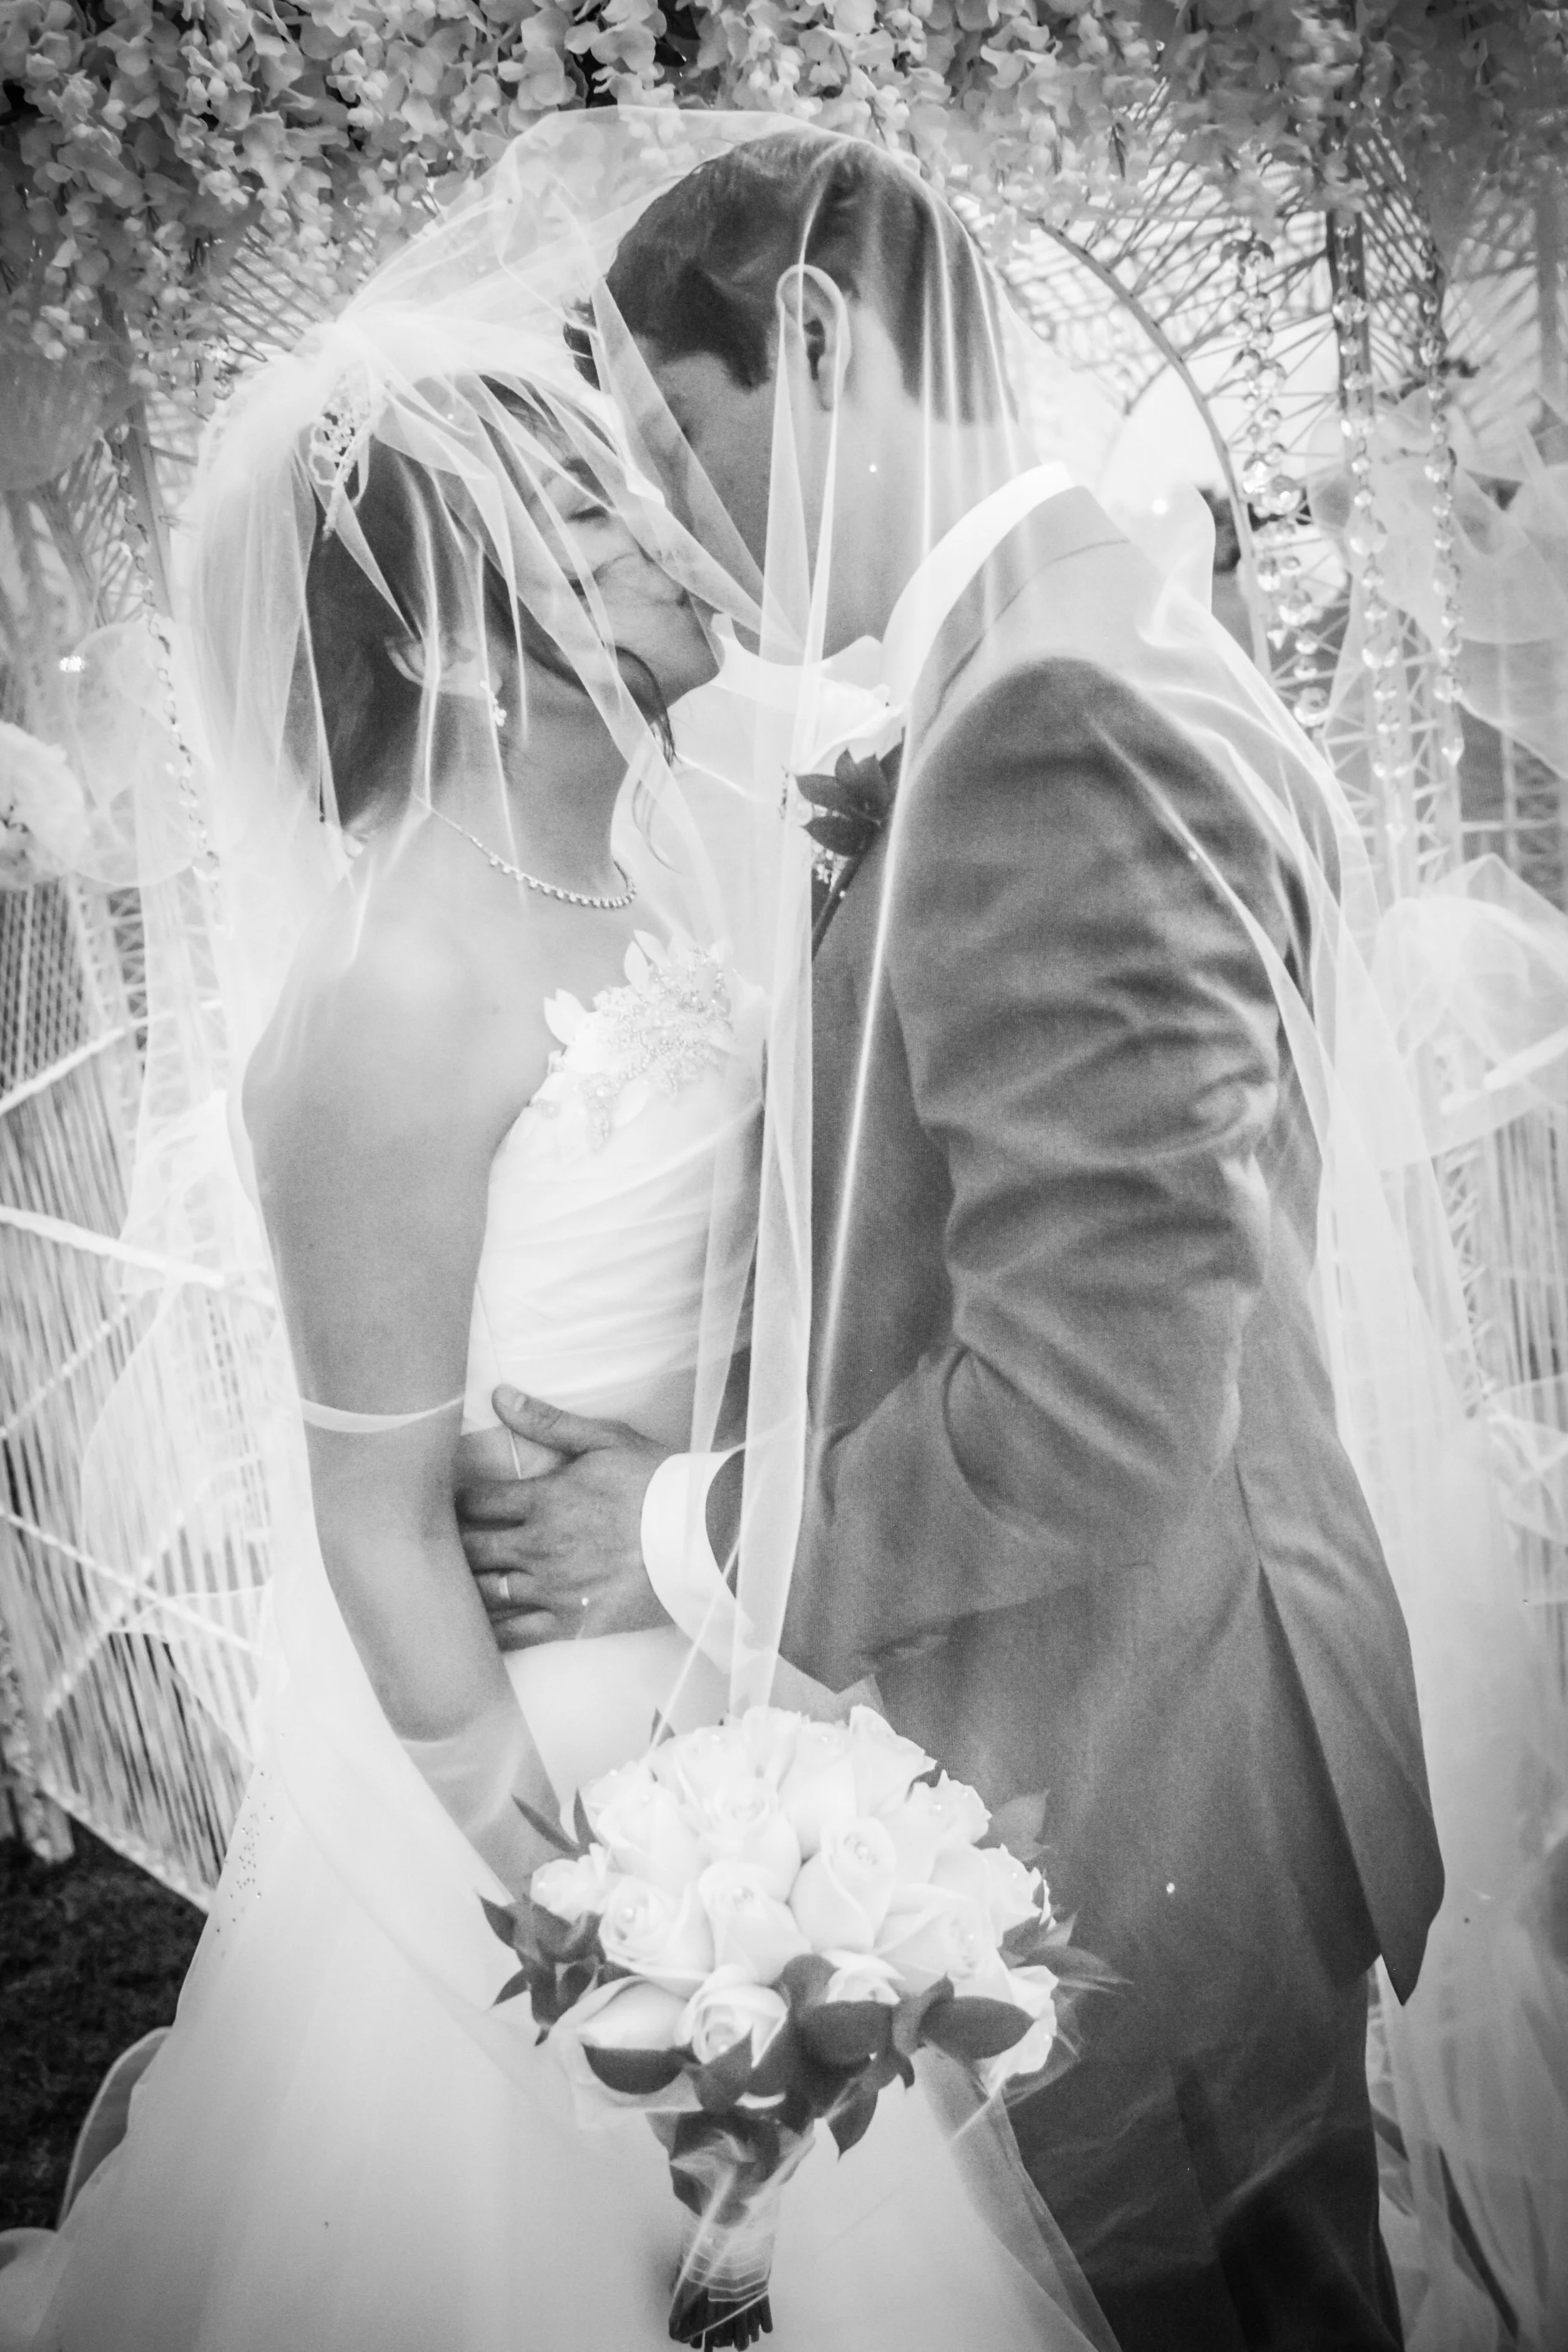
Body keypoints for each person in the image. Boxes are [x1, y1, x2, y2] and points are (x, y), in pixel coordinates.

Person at [0, 262, 1113, 2349]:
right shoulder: (390, 994)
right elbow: (373, 1521)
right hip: (555, 1804)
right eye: (594, 529)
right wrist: (609, 1945)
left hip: (737, 1679)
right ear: (446, 635)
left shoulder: (678, 846)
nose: (677, 544)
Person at [455, 120, 1452, 2351]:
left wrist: (679, 1537)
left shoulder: (1048, 714)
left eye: (669, 434)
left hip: (1147, 1770)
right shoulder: (1071, 640)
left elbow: (1092, 1408)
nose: (671, 526)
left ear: (812, 338)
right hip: (1182, 1725)